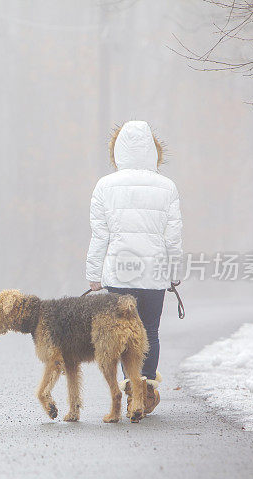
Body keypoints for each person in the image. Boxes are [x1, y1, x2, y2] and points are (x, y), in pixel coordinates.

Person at [85, 120, 183, 414]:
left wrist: (93, 274)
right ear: (154, 150)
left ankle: (130, 389)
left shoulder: (104, 185)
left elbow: (100, 234)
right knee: (149, 330)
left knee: (122, 332)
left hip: (118, 273)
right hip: (153, 275)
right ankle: (145, 390)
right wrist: (174, 273)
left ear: (118, 150)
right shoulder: (167, 187)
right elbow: (173, 237)